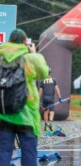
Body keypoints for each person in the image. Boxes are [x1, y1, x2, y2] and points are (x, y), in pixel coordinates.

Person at [0, 29, 48, 166]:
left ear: (9, 40)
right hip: (26, 114)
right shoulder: (30, 59)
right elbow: (44, 73)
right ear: (24, 41)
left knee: (3, 151)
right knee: (28, 152)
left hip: (3, 113)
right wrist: (34, 53)